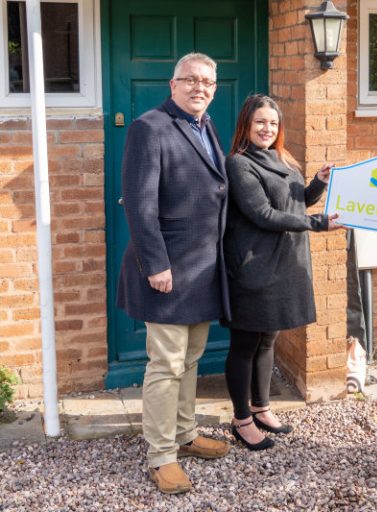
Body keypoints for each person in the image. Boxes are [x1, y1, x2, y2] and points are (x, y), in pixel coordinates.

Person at [116, 52, 231, 494]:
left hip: (202, 268)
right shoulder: (149, 127)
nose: (200, 88)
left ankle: (185, 433)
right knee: (166, 364)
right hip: (166, 269)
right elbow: (139, 201)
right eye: (191, 80)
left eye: (207, 82)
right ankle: (161, 456)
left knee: (191, 358)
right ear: (173, 84)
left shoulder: (206, 126)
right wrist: (156, 264)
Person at [222, 94, 343, 450]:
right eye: (260, 122)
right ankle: (241, 419)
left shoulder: (282, 158)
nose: (267, 128)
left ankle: (261, 408)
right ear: (246, 124)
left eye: (273, 123)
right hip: (253, 266)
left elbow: (295, 202)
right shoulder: (239, 164)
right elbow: (263, 214)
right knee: (245, 344)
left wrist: (318, 182)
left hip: (283, 265)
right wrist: (317, 224)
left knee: (268, 339)